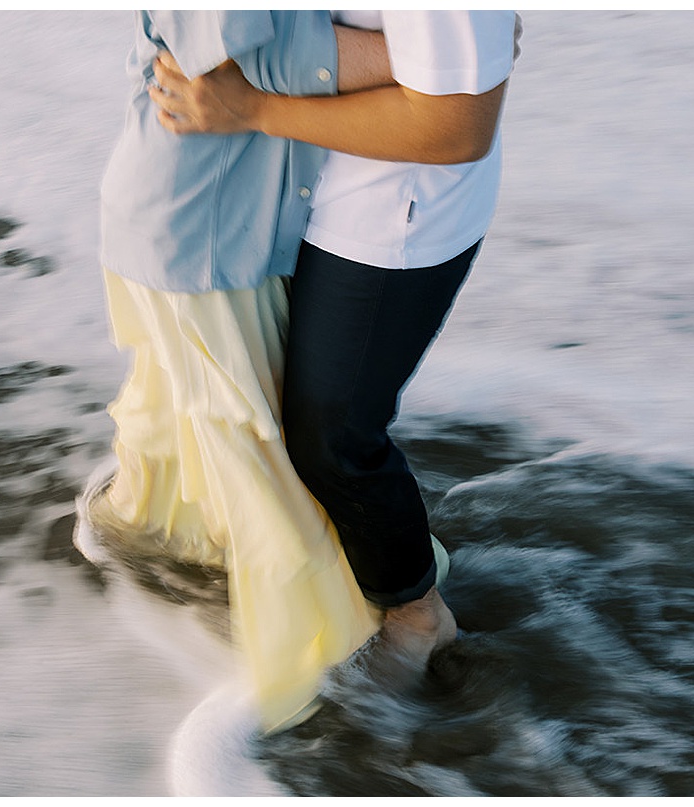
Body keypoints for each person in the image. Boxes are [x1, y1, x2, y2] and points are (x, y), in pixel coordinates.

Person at [149, 10, 518, 679]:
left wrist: (252, 107)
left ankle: (418, 613)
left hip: (388, 215)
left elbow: (457, 126)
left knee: (333, 435)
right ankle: (335, 578)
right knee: (262, 406)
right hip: (289, 178)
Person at [86, 10, 398, 733]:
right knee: (267, 465)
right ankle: (328, 674)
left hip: (217, 228)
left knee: (190, 433)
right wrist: (434, 56)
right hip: (199, 238)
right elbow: (245, 62)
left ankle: (139, 566)